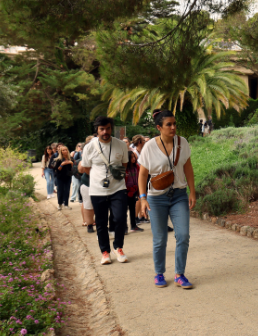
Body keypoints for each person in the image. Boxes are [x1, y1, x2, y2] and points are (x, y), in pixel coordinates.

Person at [136, 109, 197, 289]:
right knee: (160, 238)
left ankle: (180, 274)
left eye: (174, 124)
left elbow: (188, 168)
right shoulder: (149, 147)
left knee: (183, 235)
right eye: (168, 124)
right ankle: (159, 273)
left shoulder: (182, 143)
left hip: (178, 195)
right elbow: (142, 175)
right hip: (156, 198)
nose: (173, 127)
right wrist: (143, 198)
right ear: (159, 127)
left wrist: (192, 192)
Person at [79, 117, 132, 265]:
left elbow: (124, 165)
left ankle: (118, 247)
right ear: (97, 130)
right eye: (102, 129)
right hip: (97, 190)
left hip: (118, 188)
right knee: (101, 223)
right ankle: (105, 252)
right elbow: (86, 168)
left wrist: (114, 179)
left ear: (111, 129)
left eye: (108, 128)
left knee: (120, 218)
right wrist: (99, 180)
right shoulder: (89, 147)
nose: (105, 132)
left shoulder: (121, 144)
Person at [79, 137, 97, 233]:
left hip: (102, 184)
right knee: (88, 204)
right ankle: (89, 224)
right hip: (88, 183)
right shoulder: (86, 153)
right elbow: (81, 169)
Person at [54, 145, 74, 210]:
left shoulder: (70, 158)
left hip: (68, 177)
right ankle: (60, 204)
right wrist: (62, 165)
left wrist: (71, 163)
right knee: (60, 190)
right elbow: (57, 170)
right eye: (63, 150)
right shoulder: (59, 160)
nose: (65, 151)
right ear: (61, 151)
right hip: (60, 177)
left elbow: (73, 168)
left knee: (67, 190)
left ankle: (66, 204)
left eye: (66, 150)